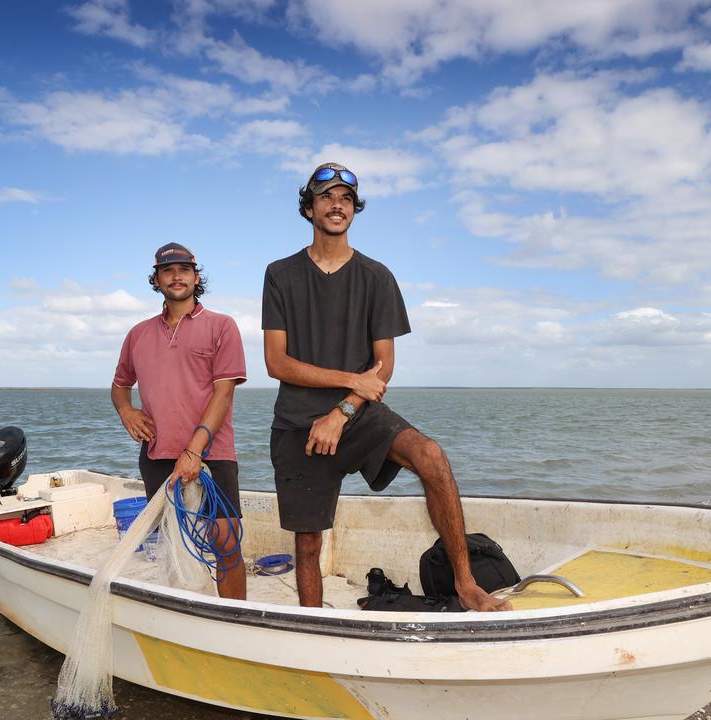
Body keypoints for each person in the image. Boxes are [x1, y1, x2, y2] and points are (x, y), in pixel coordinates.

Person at [261, 163, 512, 612]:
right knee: (306, 544)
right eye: (325, 196)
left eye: (345, 198)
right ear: (309, 207)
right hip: (299, 421)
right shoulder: (280, 274)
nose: (336, 204)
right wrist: (348, 380)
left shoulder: (377, 276)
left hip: (356, 413)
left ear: (354, 209)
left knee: (431, 456)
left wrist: (343, 410)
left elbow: (383, 365)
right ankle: (314, 626)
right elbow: (276, 362)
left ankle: (466, 583)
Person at [111, 242, 247, 600]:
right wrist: (126, 410)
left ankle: (235, 620)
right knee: (175, 540)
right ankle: (187, 614)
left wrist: (194, 450)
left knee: (226, 539)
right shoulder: (137, 334)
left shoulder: (222, 325)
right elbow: (119, 386)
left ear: (196, 277)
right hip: (158, 453)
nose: (176, 276)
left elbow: (224, 393)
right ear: (156, 279)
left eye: (184, 270)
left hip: (212, 450)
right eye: (168, 271)